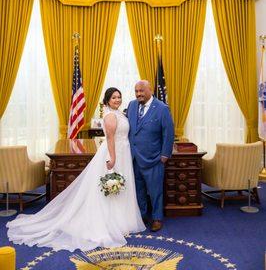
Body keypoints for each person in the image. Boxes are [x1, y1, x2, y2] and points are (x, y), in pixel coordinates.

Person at [7, 88, 145, 252]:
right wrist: (113, 158)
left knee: (122, 187)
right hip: (114, 153)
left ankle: (122, 221)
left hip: (124, 152)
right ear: (107, 100)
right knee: (111, 187)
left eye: (119, 97)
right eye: (114, 97)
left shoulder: (120, 113)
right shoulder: (110, 116)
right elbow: (110, 138)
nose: (117, 99)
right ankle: (110, 221)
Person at [127, 80, 174, 232]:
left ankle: (157, 218)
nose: (139, 94)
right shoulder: (132, 105)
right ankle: (141, 216)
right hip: (134, 158)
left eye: (141, 90)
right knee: (139, 190)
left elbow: (168, 133)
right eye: (136, 91)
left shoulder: (162, 108)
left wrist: (165, 154)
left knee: (155, 191)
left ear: (150, 90)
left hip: (154, 159)